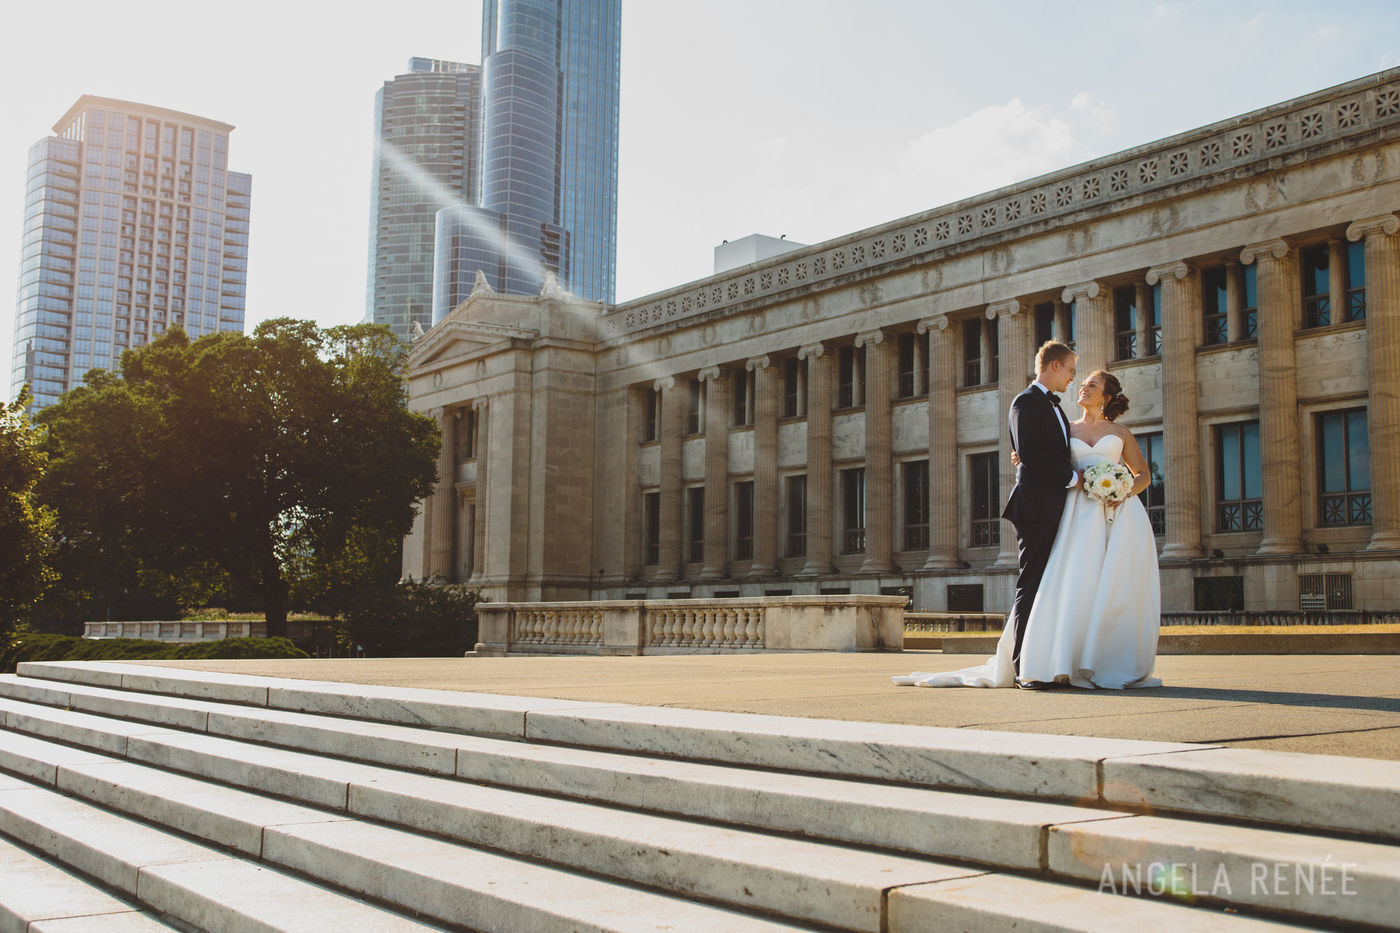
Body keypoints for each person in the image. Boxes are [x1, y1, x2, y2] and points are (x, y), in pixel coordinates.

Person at [893, 361, 1162, 690]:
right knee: (1072, 581)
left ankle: (1105, 658)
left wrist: (1122, 490)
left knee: (1110, 586)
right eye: (1083, 382)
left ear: (1106, 396)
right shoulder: (1067, 428)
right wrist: (1024, 458)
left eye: (1092, 385)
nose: (1083, 387)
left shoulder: (1120, 434)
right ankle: (1064, 659)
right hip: (1074, 515)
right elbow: (1042, 455)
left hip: (1115, 515)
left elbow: (1143, 475)